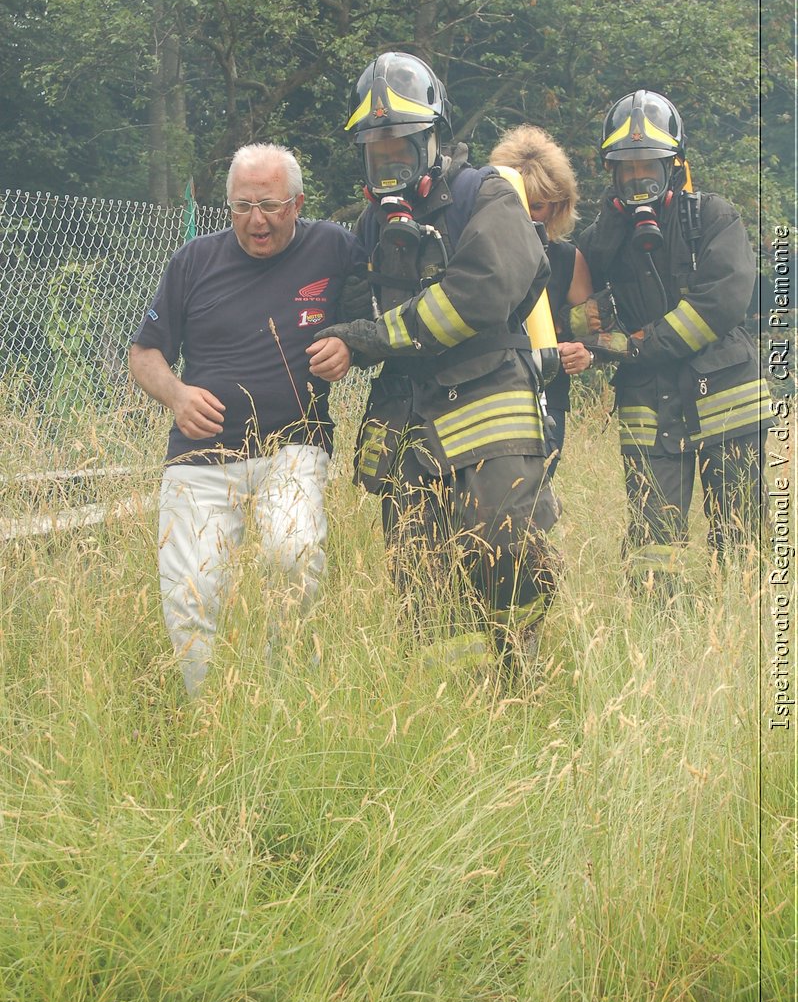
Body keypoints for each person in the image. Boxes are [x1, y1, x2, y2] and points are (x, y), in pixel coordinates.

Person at [311, 51, 560, 678]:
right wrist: (348, 339)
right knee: (420, 573)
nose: (390, 161)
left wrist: (371, 336)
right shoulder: (369, 227)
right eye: (377, 152)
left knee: (505, 548)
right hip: (408, 419)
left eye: (402, 146)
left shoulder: (488, 193)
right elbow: (348, 312)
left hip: (490, 398)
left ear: (435, 141)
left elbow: (481, 293)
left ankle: (522, 678)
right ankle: (454, 707)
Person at [129, 143, 363, 695]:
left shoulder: (336, 247)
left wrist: (349, 344)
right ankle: (207, 712)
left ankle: (285, 697)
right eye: (241, 206)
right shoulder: (193, 261)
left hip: (293, 445)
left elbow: (373, 315)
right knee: (191, 590)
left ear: (298, 203)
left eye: (270, 205)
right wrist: (178, 396)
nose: (256, 220)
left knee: (293, 551)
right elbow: (144, 355)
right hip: (201, 454)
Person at [561, 90, 771, 590]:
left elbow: (719, 306)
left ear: (675, 166)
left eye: (649, 165)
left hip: (729, 399)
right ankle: (659, 633)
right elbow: (571, 312)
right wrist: (592, 328)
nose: (638, 178)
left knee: (742, 537)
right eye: (626, 168)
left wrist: (631, 345)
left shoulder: (715, 218)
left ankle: (746, 624)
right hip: (649, 406)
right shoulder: (599, 240)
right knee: (653, 541)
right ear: (611, 173)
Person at [489, 125, 594, 475]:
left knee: (535, 502)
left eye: (537, 206)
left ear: (557, 206)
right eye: (517, 203)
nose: (527, 215)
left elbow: (590, 331)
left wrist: (582, 353)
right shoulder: (479, 254)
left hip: (547, 401)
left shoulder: (568, 259)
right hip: (487, 392)